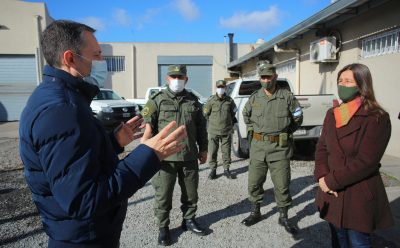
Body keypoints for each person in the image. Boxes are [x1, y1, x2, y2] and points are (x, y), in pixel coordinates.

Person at [19, 20, 187, 248]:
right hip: (84, 239)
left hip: (83, 234)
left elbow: (77, 158)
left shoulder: (60, 96)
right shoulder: (61, 109)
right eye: (97, 55)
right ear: (70, 59)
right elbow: (83, 200)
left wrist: (112, 142)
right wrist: (149, 154)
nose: (102, 62)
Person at [314, 63, 394, 247]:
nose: (342, 85)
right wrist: (321, 177)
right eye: (340, 80)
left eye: (348, 81)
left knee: (358, 243)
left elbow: (367, 161)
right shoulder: (332, 114)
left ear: (361, 85)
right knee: (338, 241)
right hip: (331, 193)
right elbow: (322, 148)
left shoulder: (377, 117)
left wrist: (331, 181)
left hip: (357, 194)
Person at [141, 64, 208, 246]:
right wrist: (145, 155)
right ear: (167, 79)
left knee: (191, 193)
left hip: (188, 156)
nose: (176, 80)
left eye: (180, 77)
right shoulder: (157, 100)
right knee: (163, 195)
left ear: (186, 80)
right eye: (173, 77)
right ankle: (163, 228)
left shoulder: (193, 101)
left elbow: (201, 128)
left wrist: (203, 149)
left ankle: (189, 220)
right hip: (164, 159)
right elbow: (148, 130)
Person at [240, 61, 303, 235]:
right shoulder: (254, 97)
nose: (266, 80)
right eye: (263, 77)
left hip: (279, 148)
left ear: (275, 77)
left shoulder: (287, 97)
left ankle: (283, 216)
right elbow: (246, 115)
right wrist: (254, 131)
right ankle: (255, 212)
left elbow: (298, 117)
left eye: (269, 77)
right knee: (254, 182)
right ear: (259, 78)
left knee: (282, 184)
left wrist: (286, 132)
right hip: (258, 147)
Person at [203, 79, 237, 179]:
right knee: (212, 151)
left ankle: (226, 169)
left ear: (225, 88)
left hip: (226, 130)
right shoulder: (211, 100)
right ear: (216, 88)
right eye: (219, 87)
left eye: (222, 87)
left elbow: (233, 112)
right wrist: (213, 122)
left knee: (226, 151)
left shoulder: (230, 101)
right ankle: (213, 170)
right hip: (213, 131)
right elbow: (205, 113)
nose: (221, 89)